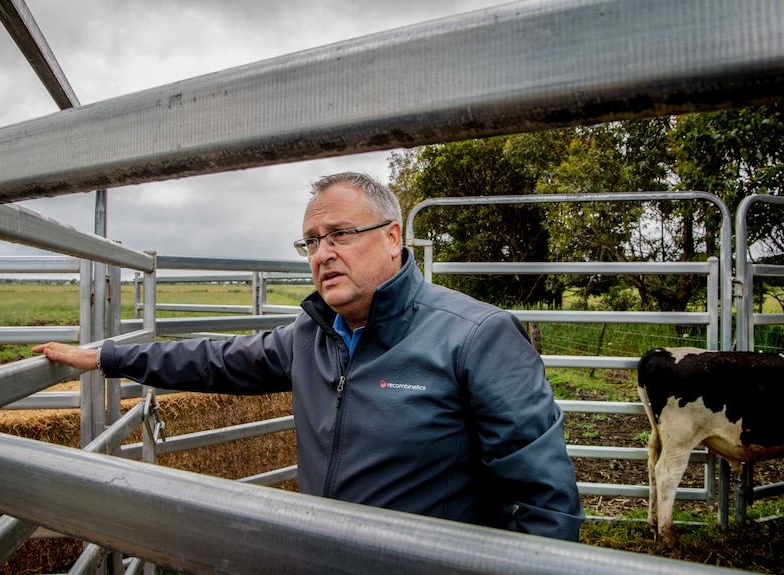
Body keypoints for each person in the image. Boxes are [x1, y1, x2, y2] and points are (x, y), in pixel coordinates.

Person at [34, 172, 584, 541]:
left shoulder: (477, 336)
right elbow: (215, 360)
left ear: (393, 238)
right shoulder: (312, 334)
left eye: (340, 234)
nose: (322, 254)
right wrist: (109, 356)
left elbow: (547, 500)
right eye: (311, 241)